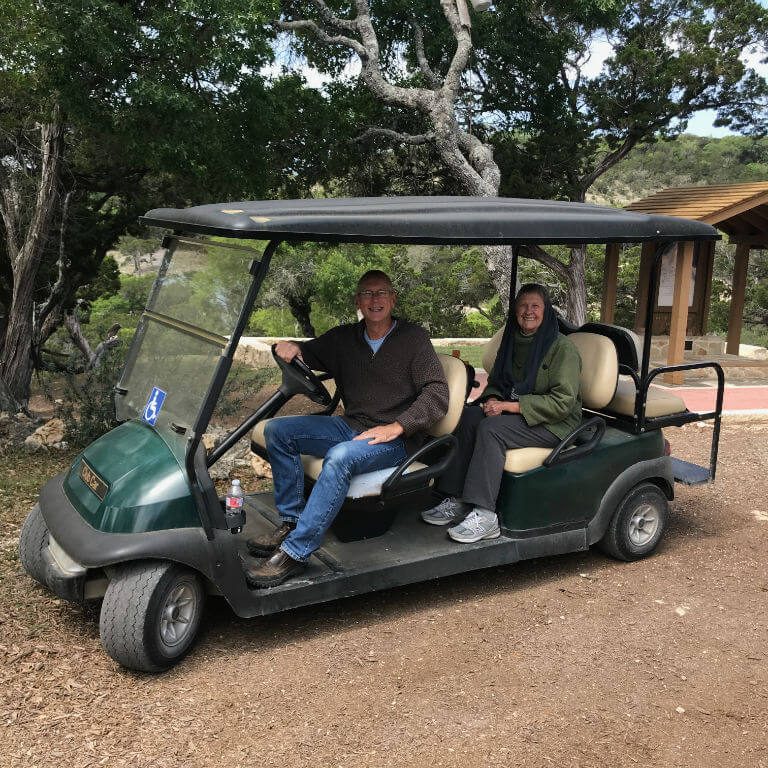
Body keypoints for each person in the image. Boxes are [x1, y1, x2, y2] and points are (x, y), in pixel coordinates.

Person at [243, 270, 449, 588]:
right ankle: (291, 522)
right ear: (358, 301)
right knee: (278, 432)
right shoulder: (345, 339)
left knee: (340, 457)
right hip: (350, 425)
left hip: (395, 439)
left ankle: (296, 553)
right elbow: (308, 352)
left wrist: (399, 425)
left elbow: (437, 393)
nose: (375, 300)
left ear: (393, 299)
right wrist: (289, 345)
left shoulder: (413, 340)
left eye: (381, 293)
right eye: (367, 293)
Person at [421, 283, 582, 543]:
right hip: (517, 414)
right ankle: (458, 498)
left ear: (546, 311)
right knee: (470, 417)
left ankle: (485, 515)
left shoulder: (562, 348)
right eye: (523, 306)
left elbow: (562, 403)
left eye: (535, 306)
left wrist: (508, 407)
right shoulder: (512, 339)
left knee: (491, 430)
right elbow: (498, 381)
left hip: (555, 423)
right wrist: (493, 397)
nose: (528, 311)